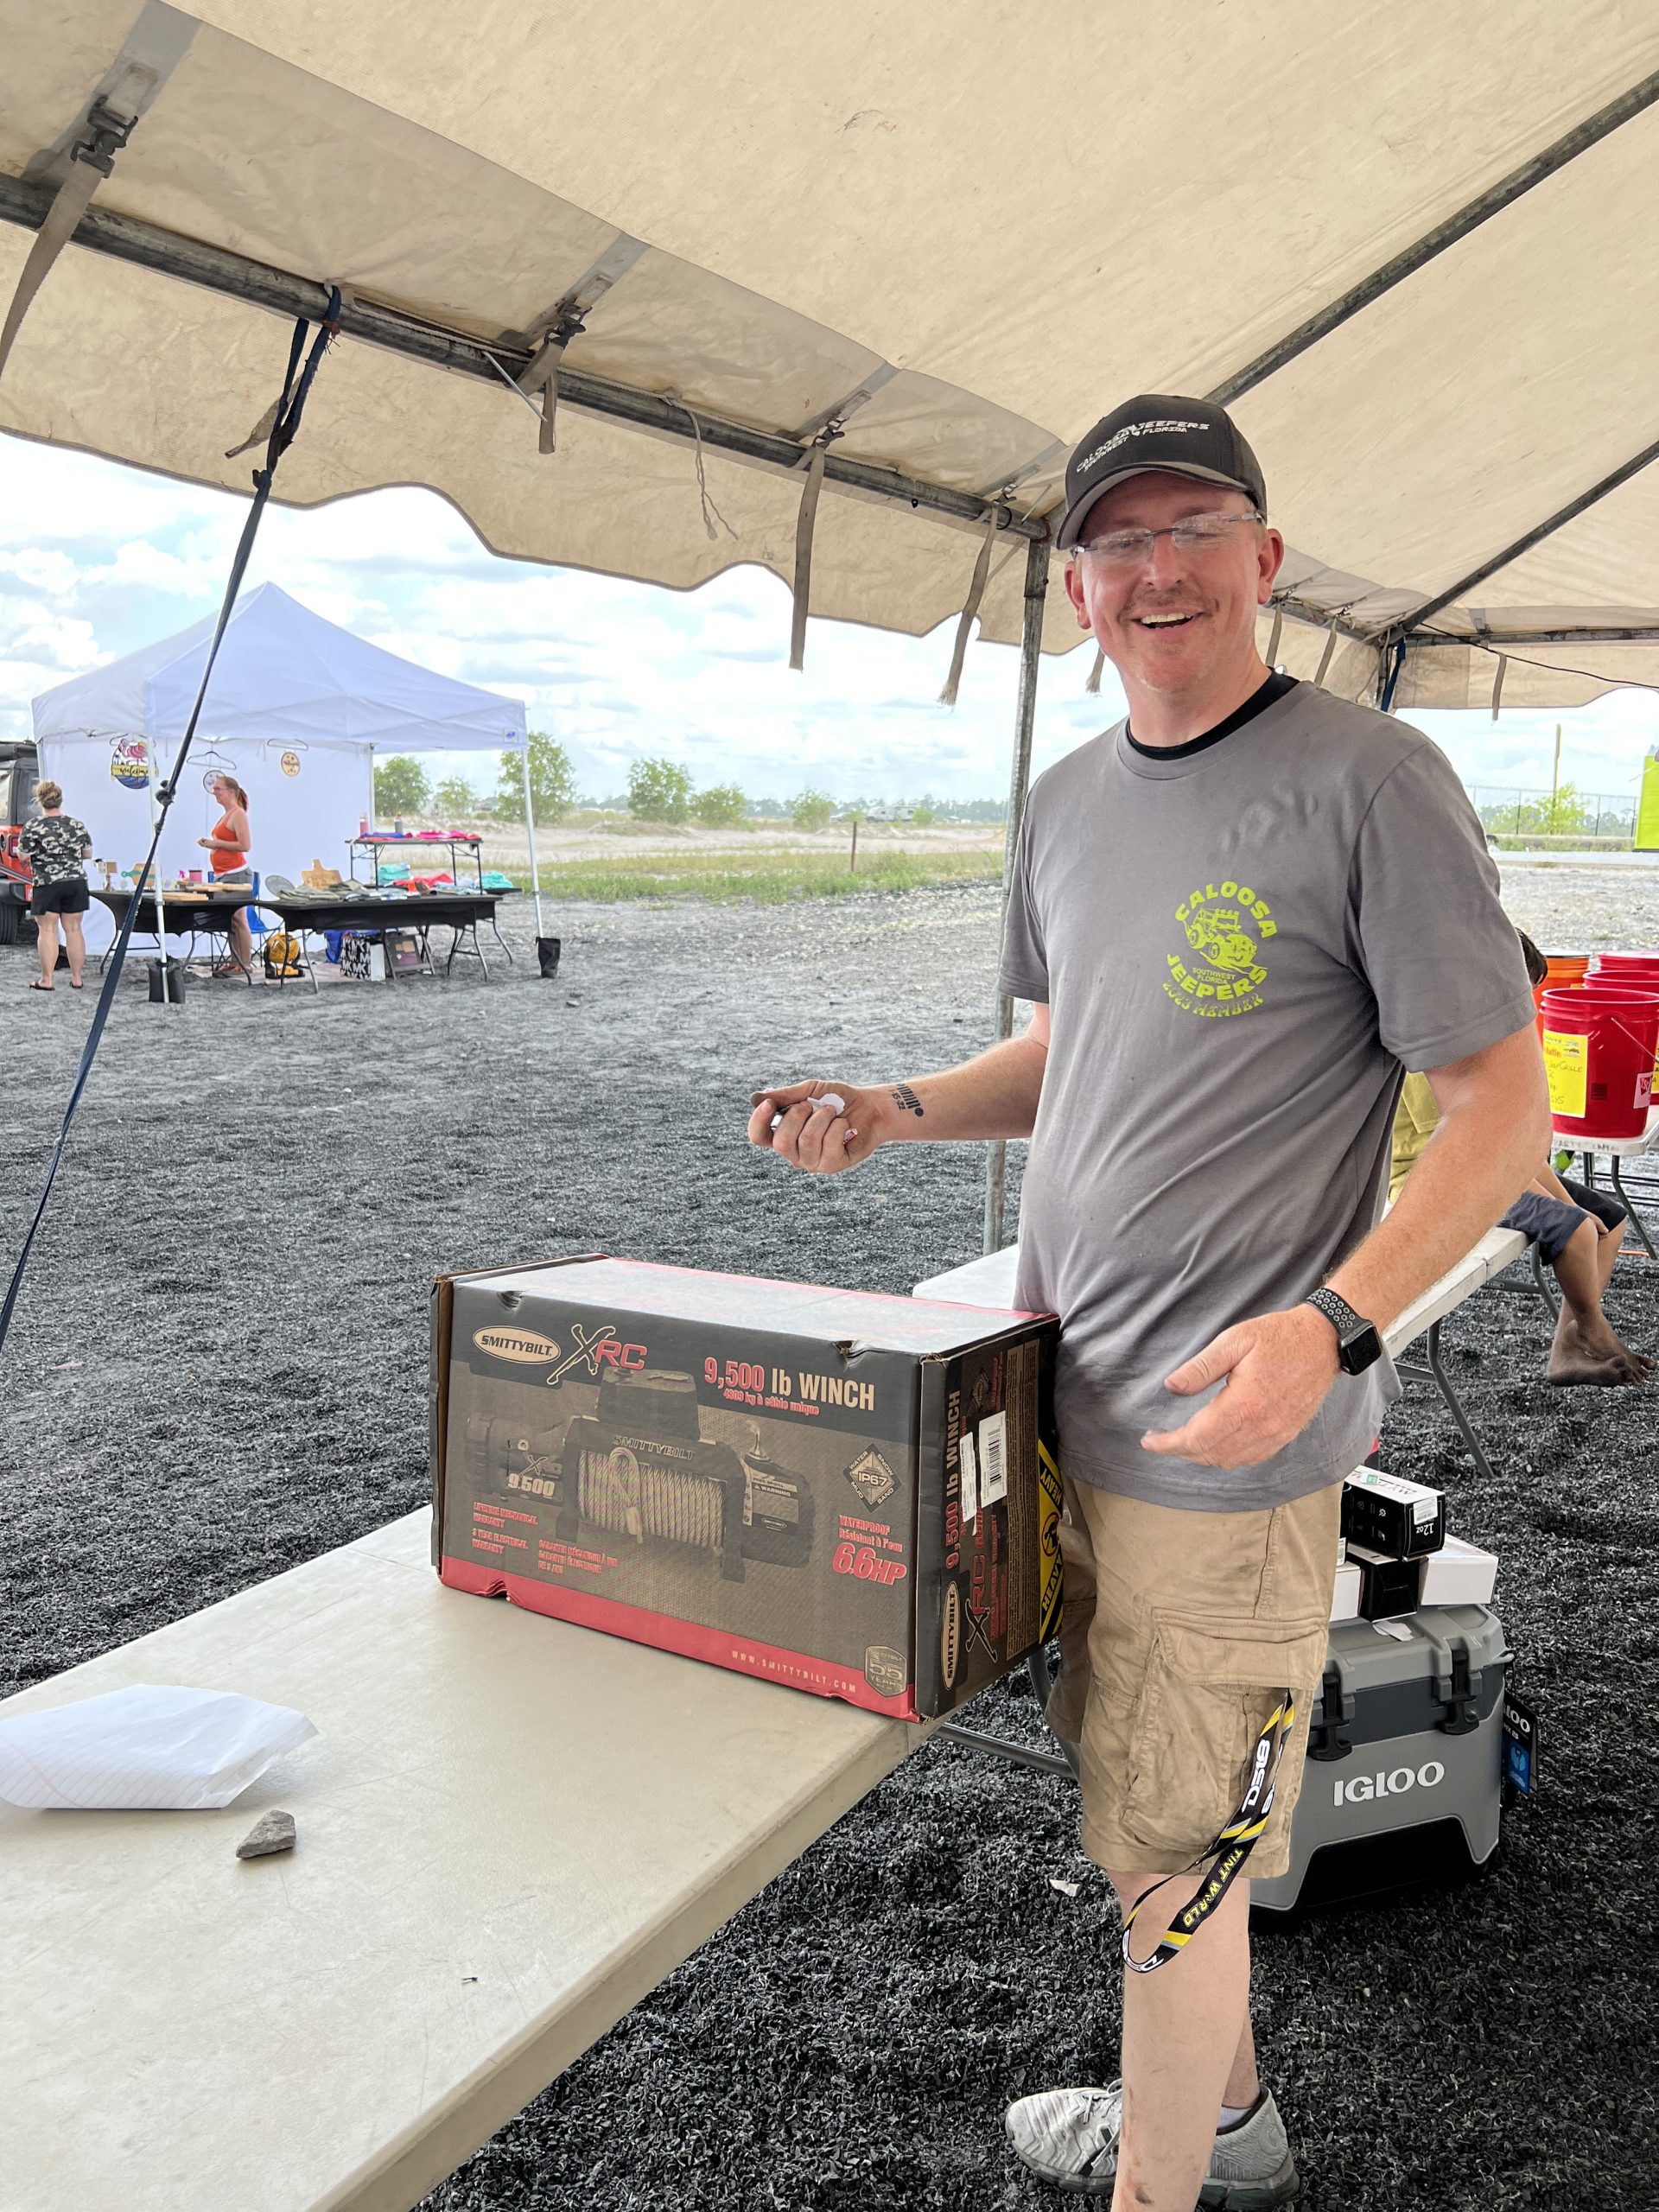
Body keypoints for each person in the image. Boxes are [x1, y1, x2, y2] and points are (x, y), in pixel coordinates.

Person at [747, 395, 1548, 2210]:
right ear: (1075, 586)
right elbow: (1067, 1048)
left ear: (1268, 560)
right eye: (1121, 539)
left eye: (1198, 526)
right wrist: (900, 1107)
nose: (1158, 565)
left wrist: (1332, 1328)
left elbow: (1509, 1106)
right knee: (1144, 1823)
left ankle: (1166, 2179)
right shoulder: (1065, 802)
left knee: (1178, 1862)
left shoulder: (1371, 780)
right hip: (1063, 1402)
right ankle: (1230, 2125)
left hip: (1229, 1447)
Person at [1392, 932, 1651, 1387]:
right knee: (1576, 1230)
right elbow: (1464, 1151)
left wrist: (1561, 1198)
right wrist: (1565, 1210)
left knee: (1608, 1221)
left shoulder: (1480, 1038)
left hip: (1482, 1164)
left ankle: (1566, 1348)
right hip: (1432, 1180)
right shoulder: (1431, 1048)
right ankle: (1593, 1328)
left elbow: (1511, 1145)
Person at [19, 779, 91, 994]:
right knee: (74, 929)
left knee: (48, 929)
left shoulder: (33, 826)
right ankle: (77, 978)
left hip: (47, 883)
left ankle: (47, 979)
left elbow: (23, 855)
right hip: (75, 882)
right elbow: (87, 853)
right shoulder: (76, 824)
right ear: (60, 800)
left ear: (40, 801)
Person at [199, 772, 255, 976]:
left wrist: (216, 844)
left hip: (236, 874)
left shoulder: (238, 814)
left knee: (239, 919)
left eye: (218, 789)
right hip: (223, 874)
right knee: (231, 920)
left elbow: (245, 845)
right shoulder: (227, 814)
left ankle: (245, 964)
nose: (215, 793)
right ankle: (235, 962)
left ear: (231, 791)